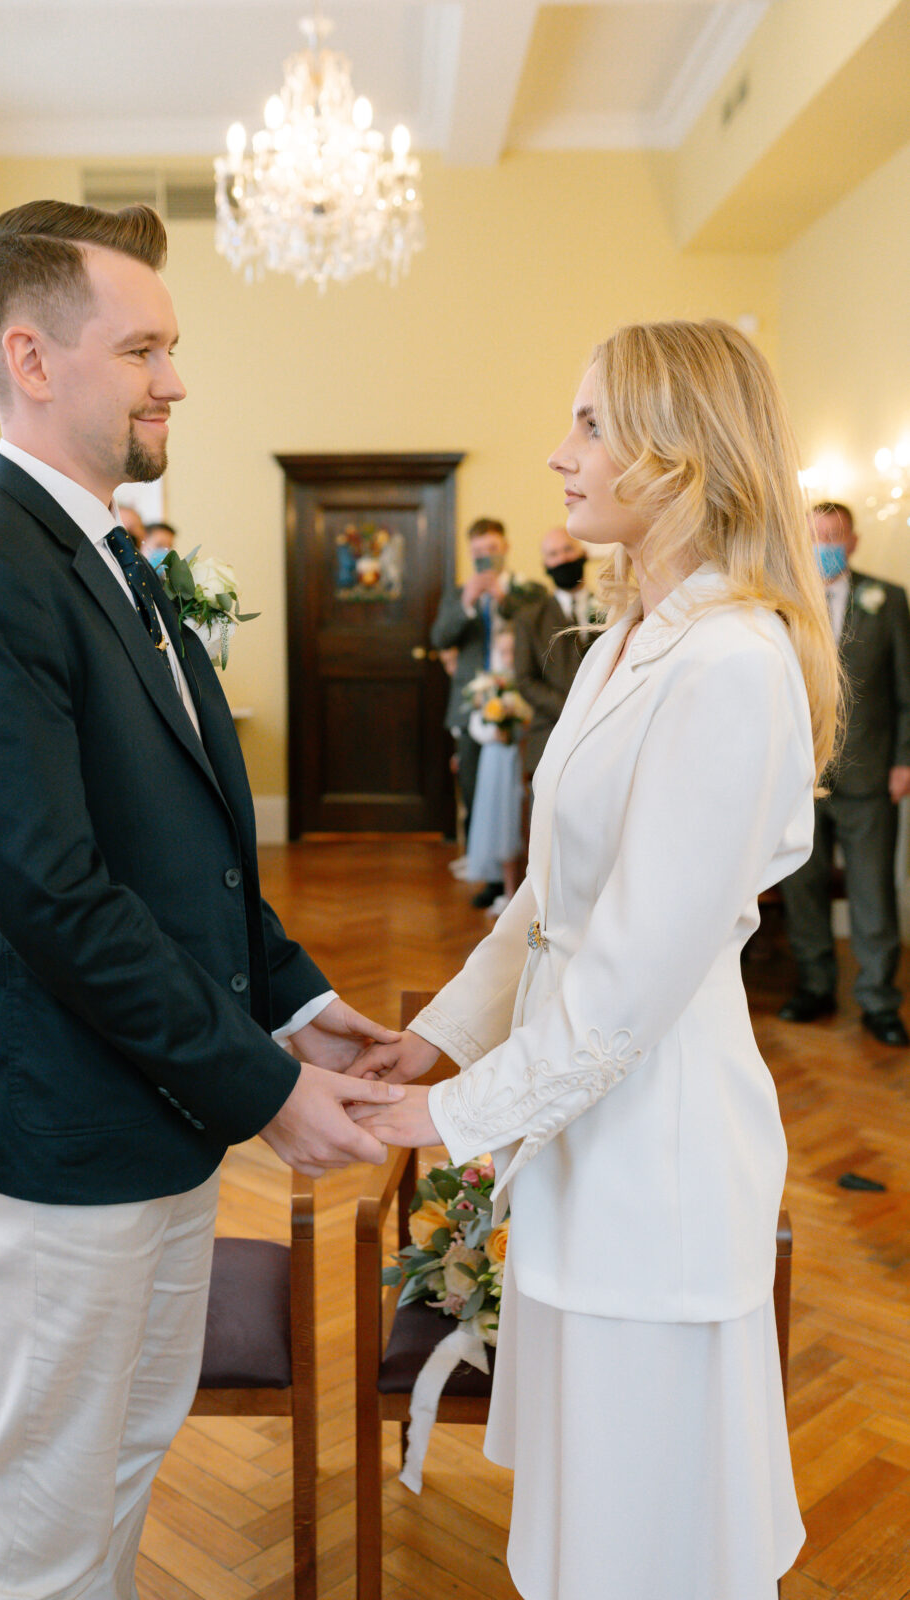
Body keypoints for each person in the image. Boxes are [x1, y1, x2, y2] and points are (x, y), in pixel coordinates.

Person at [0, 199, 402, 1600]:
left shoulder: (106, 551)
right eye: (142, 350)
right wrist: (262, 1087)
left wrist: (294, 1003)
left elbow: (186, 842)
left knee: (119, 1465)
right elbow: (53, 894)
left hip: (159, 1111)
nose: (175, 379)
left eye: (170, 348)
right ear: (32, 357)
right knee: (40, 1516)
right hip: (64, 1127)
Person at [351, 320, 840, 1600]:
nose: (557, 454)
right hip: (581, 1131)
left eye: (587, 424)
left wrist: (449, 1114)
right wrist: (438, 1037)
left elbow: (628, 972)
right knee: (583, 1522)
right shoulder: (627, 636)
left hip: (654, 1143)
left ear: (677, 452)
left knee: (644, 1533)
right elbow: (548, 900)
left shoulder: (731, 661)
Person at [778, 501, 910, 1045]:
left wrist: (904, 759)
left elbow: (906, 688)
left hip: (870, 775)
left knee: (873, 890)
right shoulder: (782, 602)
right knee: (802, 887)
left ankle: (879, 1000)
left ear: (852, 542)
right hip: (798, 778)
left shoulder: (887, 599)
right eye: (815, 537)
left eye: (834, 536)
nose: (825, 546)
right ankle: (815, 986)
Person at [431, 518, 543, 905]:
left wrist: (502, 598)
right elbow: (440, 637)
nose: (485, 557)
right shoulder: (458, 594)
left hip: (519, 704)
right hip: (470, 708)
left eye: (492, 549)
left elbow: (537, 631)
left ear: (505, 547)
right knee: (475, 790)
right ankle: (493, 881)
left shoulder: (527, 591)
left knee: (515, 794)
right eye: (478, 551)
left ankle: (523, 877)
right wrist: (467, 603)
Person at [514, 526, 596, 783]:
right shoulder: (529, 619)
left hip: (602, 733)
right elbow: (525, 680)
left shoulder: (612, 608)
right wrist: (572, 710)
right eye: (553, 554)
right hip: (550, 733)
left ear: (583, 553)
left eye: (568, 549)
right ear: (545, 565)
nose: (562, 559)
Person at [463, 623, 526, 916]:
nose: (508, 657)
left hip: (515, 758)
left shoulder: (523, 684)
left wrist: (514, 727)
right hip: (494, 758)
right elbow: (476, 724)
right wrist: (494, 732)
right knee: (496, 819)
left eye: (512, 651)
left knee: (513, 820)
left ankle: (517, 891)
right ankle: (502, 886)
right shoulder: (490, 685)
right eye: (503, 652)